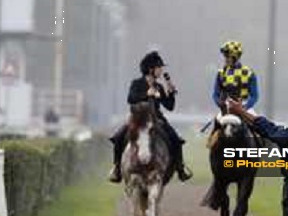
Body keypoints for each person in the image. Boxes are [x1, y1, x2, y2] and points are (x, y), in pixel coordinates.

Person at [108, 51, 193, 183]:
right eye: (159, 68)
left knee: (176, 139)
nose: (161, 70)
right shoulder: (136, 83)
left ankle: (180, 168)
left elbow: (170, 106)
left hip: (157, 118)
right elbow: (131, 99)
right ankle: (117, 168)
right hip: (138, 117)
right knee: (119, 137)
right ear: (150, 69)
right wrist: (146, 94)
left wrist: (170, 93)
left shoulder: (159, 86)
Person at [212, 40, 259, 111]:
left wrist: (245, 107)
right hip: (226, 108)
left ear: (235, 57)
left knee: (259, 121)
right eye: (225, 56)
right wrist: (221, 104)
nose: (225, 59)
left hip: (244, 107)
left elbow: (254, 96)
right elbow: (216, 94)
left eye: (227, 56)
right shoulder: (221, 73)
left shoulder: (249, 73)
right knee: (213, 122)